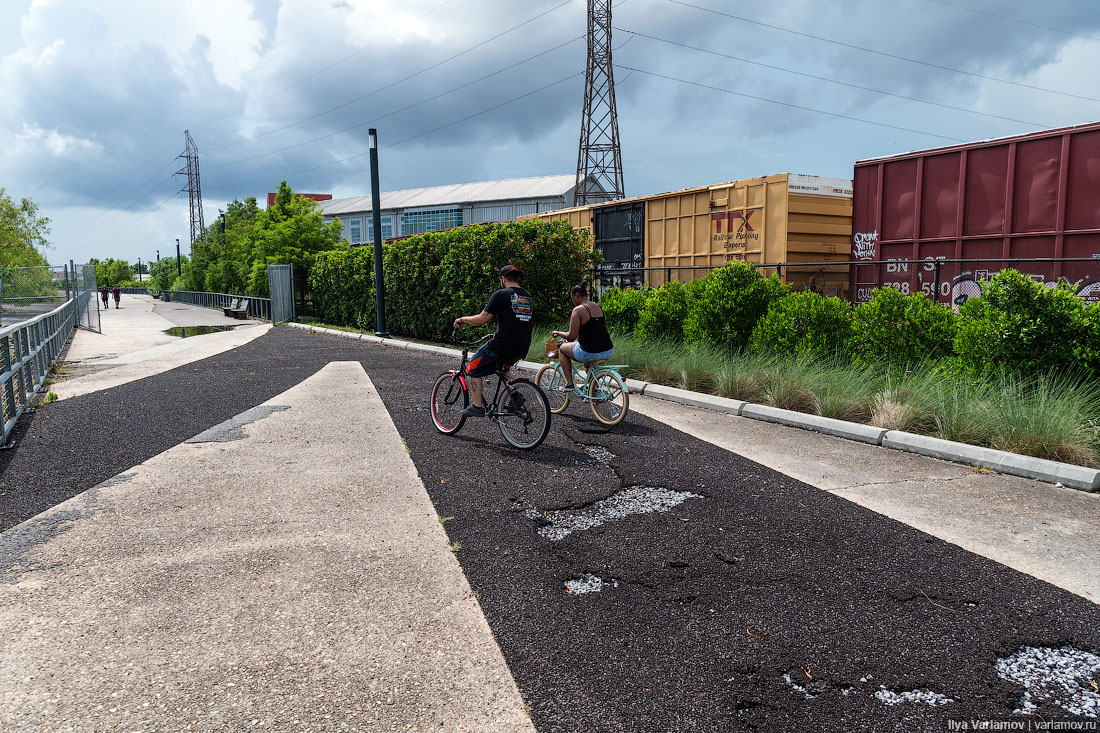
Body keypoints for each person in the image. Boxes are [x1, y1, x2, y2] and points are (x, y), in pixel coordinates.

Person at [451, 265, 534, 417]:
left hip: (502, 345)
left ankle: (477, 406)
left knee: (472, 368)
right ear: (517, 278)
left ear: (503, 279)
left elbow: (481, 319)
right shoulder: (527, 296)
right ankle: (515, 395)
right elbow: (516, 320)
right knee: (504, 367)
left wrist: (462, 319)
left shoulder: (501, 294)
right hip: (522, 346)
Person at [551, 283, 614, 392]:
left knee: (562, 349)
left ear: (576, 295)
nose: (573, 301)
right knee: (587, 364)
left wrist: (558, 332)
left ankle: (569, 384)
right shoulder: (598, 306)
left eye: (572, 298)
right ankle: (593, 389)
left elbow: (571, 336)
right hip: (608, 350)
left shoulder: (578, 310)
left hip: (590, 352)